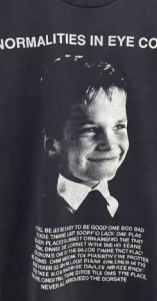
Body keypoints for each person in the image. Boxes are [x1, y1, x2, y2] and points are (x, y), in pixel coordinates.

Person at [40, 56, 130, 225]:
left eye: (119, 127)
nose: (110, 144)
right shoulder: (36, 210)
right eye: (90, 130)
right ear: (51, 144)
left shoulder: (143, 206)